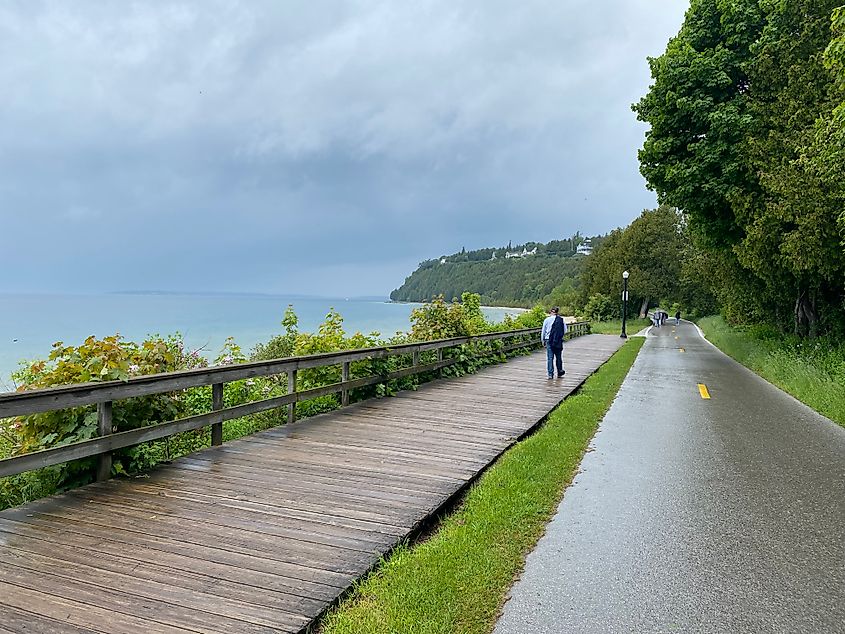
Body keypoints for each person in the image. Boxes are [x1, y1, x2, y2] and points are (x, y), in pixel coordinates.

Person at [541, 307, 567, 379]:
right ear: (557, 312)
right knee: (558, 357)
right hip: (558, 341)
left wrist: (543, 341)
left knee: (550, 358)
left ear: (550, 312)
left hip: (548, 340)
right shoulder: (561, 320)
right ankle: (559, 372)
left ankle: (550, 374)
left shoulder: (546, 320)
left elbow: (543, 331)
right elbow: (565, 330)